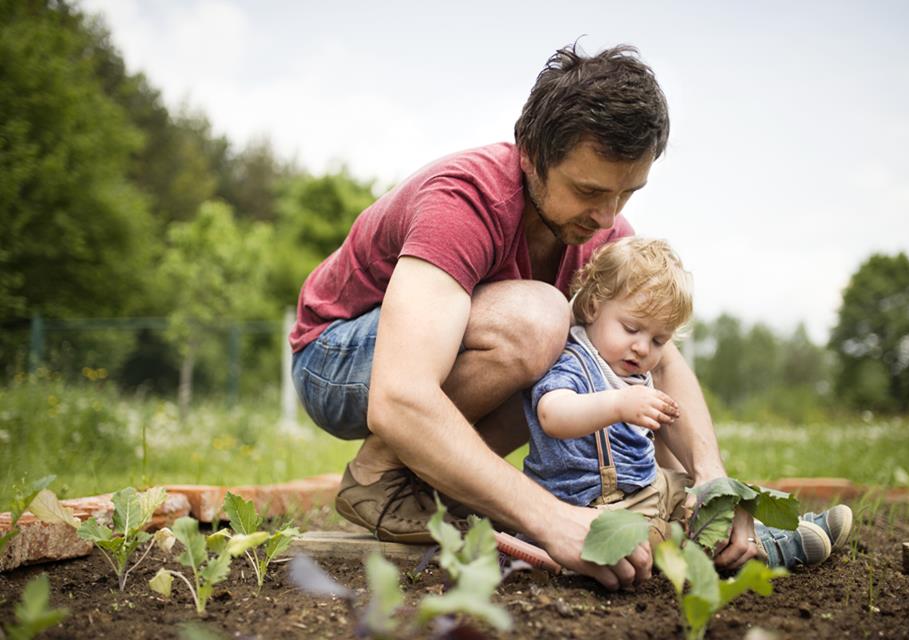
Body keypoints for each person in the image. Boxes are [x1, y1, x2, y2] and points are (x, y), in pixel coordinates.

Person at [290, 43, 758, 590]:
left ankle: (433, 487)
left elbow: (663, 365)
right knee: (541, 319)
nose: (608, 217)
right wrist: (549, 519)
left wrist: (712, 478)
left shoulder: (599, 233)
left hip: (429, 366)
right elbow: (398, 396)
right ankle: (378, 476)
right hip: (334, 356)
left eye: (627, 193)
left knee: (604, 344)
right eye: (589, 190)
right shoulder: (465, 202)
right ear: (531, 155)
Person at [522, 237, 854, 569]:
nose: (641, 347)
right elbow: (552, 413)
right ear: (593, 306)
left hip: (645, 491)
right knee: (660, 538)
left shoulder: (631, 371)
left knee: (704, 504)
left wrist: (704, 493)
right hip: (590, 507)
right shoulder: (575, 361)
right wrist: (618, 404)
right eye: (631, 328)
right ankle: (764, 549)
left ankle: (758, 532)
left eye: (658, 340)